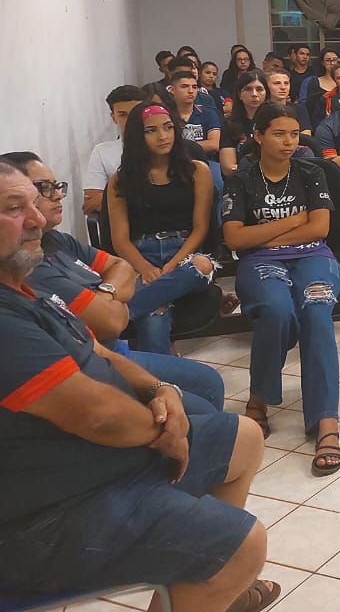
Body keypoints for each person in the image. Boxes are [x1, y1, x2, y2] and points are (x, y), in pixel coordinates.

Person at [0, 158, 276, 612]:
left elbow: (101, 351)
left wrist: (158, 391)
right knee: (243, 545)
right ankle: (214, 572)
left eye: (36, 201)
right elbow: (98, 415)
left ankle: (202, 589)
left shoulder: (26, 287)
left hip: (89, 465)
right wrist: (166, 431)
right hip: (39, 520)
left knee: (242, 438)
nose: (36, 219)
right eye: (16, 208)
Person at [9, 151, 229, 416]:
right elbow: (110, 322)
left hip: (115, 346)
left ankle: (155, 302)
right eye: (43, 188)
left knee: (208, 380)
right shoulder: (31, 265)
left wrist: (106, 293)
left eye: (56, 186)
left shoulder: (58, 240)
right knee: (201, 402)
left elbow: (119, 267)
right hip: (96, 363)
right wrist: (117, 300)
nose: (57, 194)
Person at [222, 103, 340, 475]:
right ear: (257, 136)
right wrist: (294, 221)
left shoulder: (311, 172)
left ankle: (326, 422)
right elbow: (233, 237)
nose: (289, 142)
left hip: (314, 257)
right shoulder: (239, 180)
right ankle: (258, 399)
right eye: (279, 133)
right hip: (260, 263)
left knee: (316, 312)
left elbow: (320, 228)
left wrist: (262, 237)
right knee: (276, 311)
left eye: (294, 134)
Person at [107, 104, 219, 352]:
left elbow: (201, 229)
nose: (163, 136)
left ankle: (109, 319)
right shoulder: (121, 179)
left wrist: (172, 266)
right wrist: (146, 268)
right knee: (154, 317)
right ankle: (160, 386)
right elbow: (120, 240)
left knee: (201, 266)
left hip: (185, 253)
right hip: (141, 256)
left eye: (169, 128)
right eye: (151, 130)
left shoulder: (197, 171)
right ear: (138, 136)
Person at [84, 84, 146, 216]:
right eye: (123, 115)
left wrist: (110, 199)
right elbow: (91, 202)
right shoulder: (102, 151)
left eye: (135, 114)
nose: (130, 121)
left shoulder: (162, 146)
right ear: (113, 117)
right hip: (119, 225)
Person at [221, 70, 268, 175]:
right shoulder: (229, 124)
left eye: (259, 89)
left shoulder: (276, 120)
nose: (254, 94)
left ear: (266, 93)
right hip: (241, 181)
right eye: (248, 89)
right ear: (239, 94)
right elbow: (228, 168)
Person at [299, 48, 340, 130]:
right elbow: (307, 106)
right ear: (322, 63)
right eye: (328, 60)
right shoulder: (313, 81)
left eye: (335, 60)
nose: (332, 63)